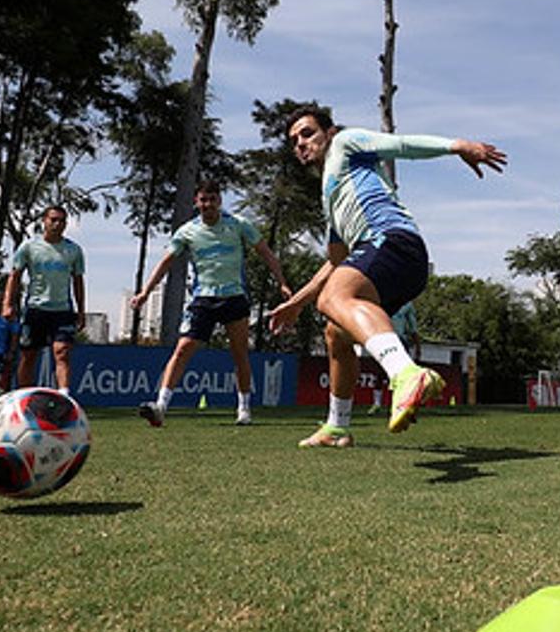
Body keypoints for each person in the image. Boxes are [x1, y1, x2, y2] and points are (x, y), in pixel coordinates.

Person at [269, 105, 505, 447]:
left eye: (307, 133)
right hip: (391, 258)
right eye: (294, 141)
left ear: (329, 133)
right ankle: (337, 426)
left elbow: (403, 145)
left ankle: (406, 374)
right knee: (336, 332)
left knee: (334, 299)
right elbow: (337, 263)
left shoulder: (346, 144)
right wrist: (295, 303)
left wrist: (457, 146)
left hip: (393, 243)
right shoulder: (330, 197)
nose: (300, 143)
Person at [131, 180, 292, 426]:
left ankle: (244, 409)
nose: (208, 205)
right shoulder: (186, 231)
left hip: (234, 297)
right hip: (203, 299)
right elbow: (166, 262)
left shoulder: (238, 225)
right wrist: (145, 292)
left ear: (219, 201)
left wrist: (281, 282)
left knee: (239, 354)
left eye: (212, 199)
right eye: (203, 200)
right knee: (183, 349)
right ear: (197, 202)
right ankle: (161, 406)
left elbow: (265, 252)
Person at [3, 205, 85, 394]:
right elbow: (14, 276)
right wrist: (7, 304)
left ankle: (64, 396)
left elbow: (78, 281)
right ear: (44, 222)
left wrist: (81, 311)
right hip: (36, 309)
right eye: (53, 220)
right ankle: (23, 398)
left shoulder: (73, 250)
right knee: (28, 356)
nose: (58, 224)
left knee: (62, 352)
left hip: (62, 311)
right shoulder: (29, 247)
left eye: (62, 221)